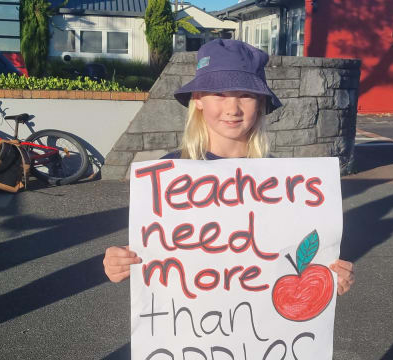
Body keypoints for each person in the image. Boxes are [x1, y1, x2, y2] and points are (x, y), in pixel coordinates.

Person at [103, 39, 355, 296]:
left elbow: (300, 253)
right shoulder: (167, 177)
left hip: (263, 326)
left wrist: (329, 277)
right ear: (198, 100)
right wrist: (121, 262)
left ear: (260, 104)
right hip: (188, 322)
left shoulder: (285, 184)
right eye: (219, 94)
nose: (232, 109)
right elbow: (156, 250)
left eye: (245, 95)